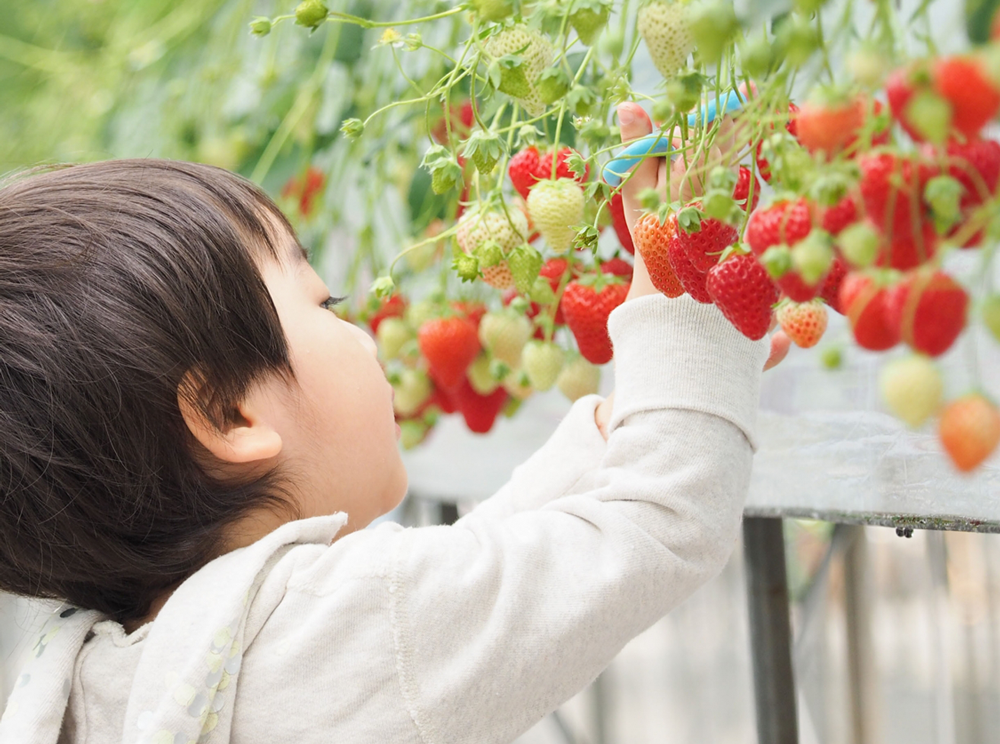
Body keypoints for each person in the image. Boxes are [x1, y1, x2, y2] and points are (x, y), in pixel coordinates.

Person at [0, 103, 788, 744]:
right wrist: (682, 293)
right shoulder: (348, 630)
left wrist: (633, 416)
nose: (360, 328)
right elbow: (661, 522)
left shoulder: (102, 681)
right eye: (323, 303)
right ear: (227, 414)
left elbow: (475, 572)